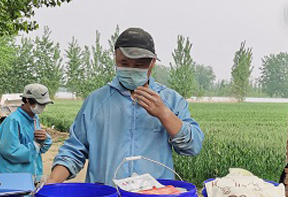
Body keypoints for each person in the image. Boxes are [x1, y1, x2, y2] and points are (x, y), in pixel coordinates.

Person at [46, 27, 204, 186]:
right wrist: (52, 180)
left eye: (139, 64)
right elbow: (74, 150)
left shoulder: (171, 100)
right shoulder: (96, 101)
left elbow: (193, 147)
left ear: (152, 64)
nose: (131, 70)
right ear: (115, 58)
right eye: (124, 63)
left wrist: (164, 114)